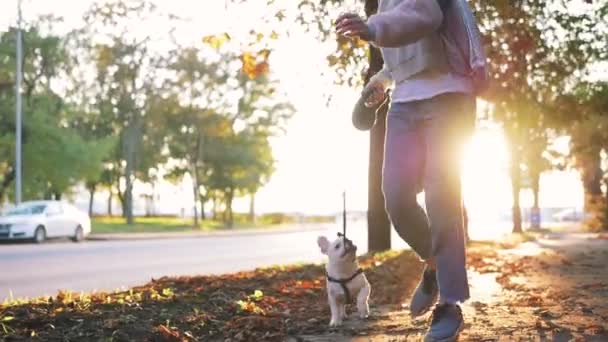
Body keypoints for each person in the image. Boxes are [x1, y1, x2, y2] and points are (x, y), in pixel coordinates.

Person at [336, 1, 479, 341]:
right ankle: (434, 264)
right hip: (404, 104)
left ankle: (449, 303)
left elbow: (425, 16)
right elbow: (402, 55)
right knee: (396, 198)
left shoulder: (385, 15)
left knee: (441, 196)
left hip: (449, 96)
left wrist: (372, 28)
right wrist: (381, 81)